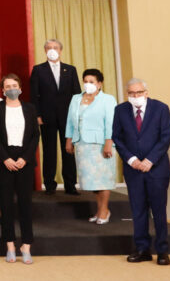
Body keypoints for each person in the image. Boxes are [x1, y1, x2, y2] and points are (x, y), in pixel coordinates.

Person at [112, 78, 170, 266]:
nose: (135, 96)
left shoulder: (161, 108)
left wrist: (150, 160)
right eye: (131, 93)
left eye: (139, 93)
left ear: (146, 92)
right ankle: (142, 249)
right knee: (138, 211)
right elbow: (117, 137)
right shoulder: (120, 110)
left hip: (157, 169)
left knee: (159, 211)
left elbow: (165, 136)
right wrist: (131, 160)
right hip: (133, 170)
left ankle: (162, 250)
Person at [0, 74, 39, 264]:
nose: (11, 88)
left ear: (20, 88)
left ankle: (26, 245)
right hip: (3, 161)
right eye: (7, 86)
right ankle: (9, 244)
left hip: (24, 160)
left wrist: (25, 158)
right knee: (6, 204)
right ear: (2, 90)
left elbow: (35, 136)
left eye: (14, 85)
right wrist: (5, 158)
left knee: (25, 204)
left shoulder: (30, 108)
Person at [65, 68, 117, 224]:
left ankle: (104, 211)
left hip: (100, 144)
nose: (88, 84)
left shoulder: (108, 99)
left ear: (99, 84)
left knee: (103, 179)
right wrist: (69, 139)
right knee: (93, 182)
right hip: (82, 144)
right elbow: (70, 120)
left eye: (92, 82)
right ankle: (100, 209)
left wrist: (109, 142)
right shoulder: (75, 98)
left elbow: (111, 123)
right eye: (86, 81)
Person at [29, 39, 81, 194]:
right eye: (49, 47)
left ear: (61, 50)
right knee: (49, 150)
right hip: (46, 116)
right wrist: (37, 114)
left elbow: (76, 94)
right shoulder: (38, 70)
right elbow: (34, 95)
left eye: (55, 47)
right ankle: (50, 185)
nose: (52, 50)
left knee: (69, 150)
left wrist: (76, 115)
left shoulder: (70, 70)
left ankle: (70, 185)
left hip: (68, 117)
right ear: (45, 50)